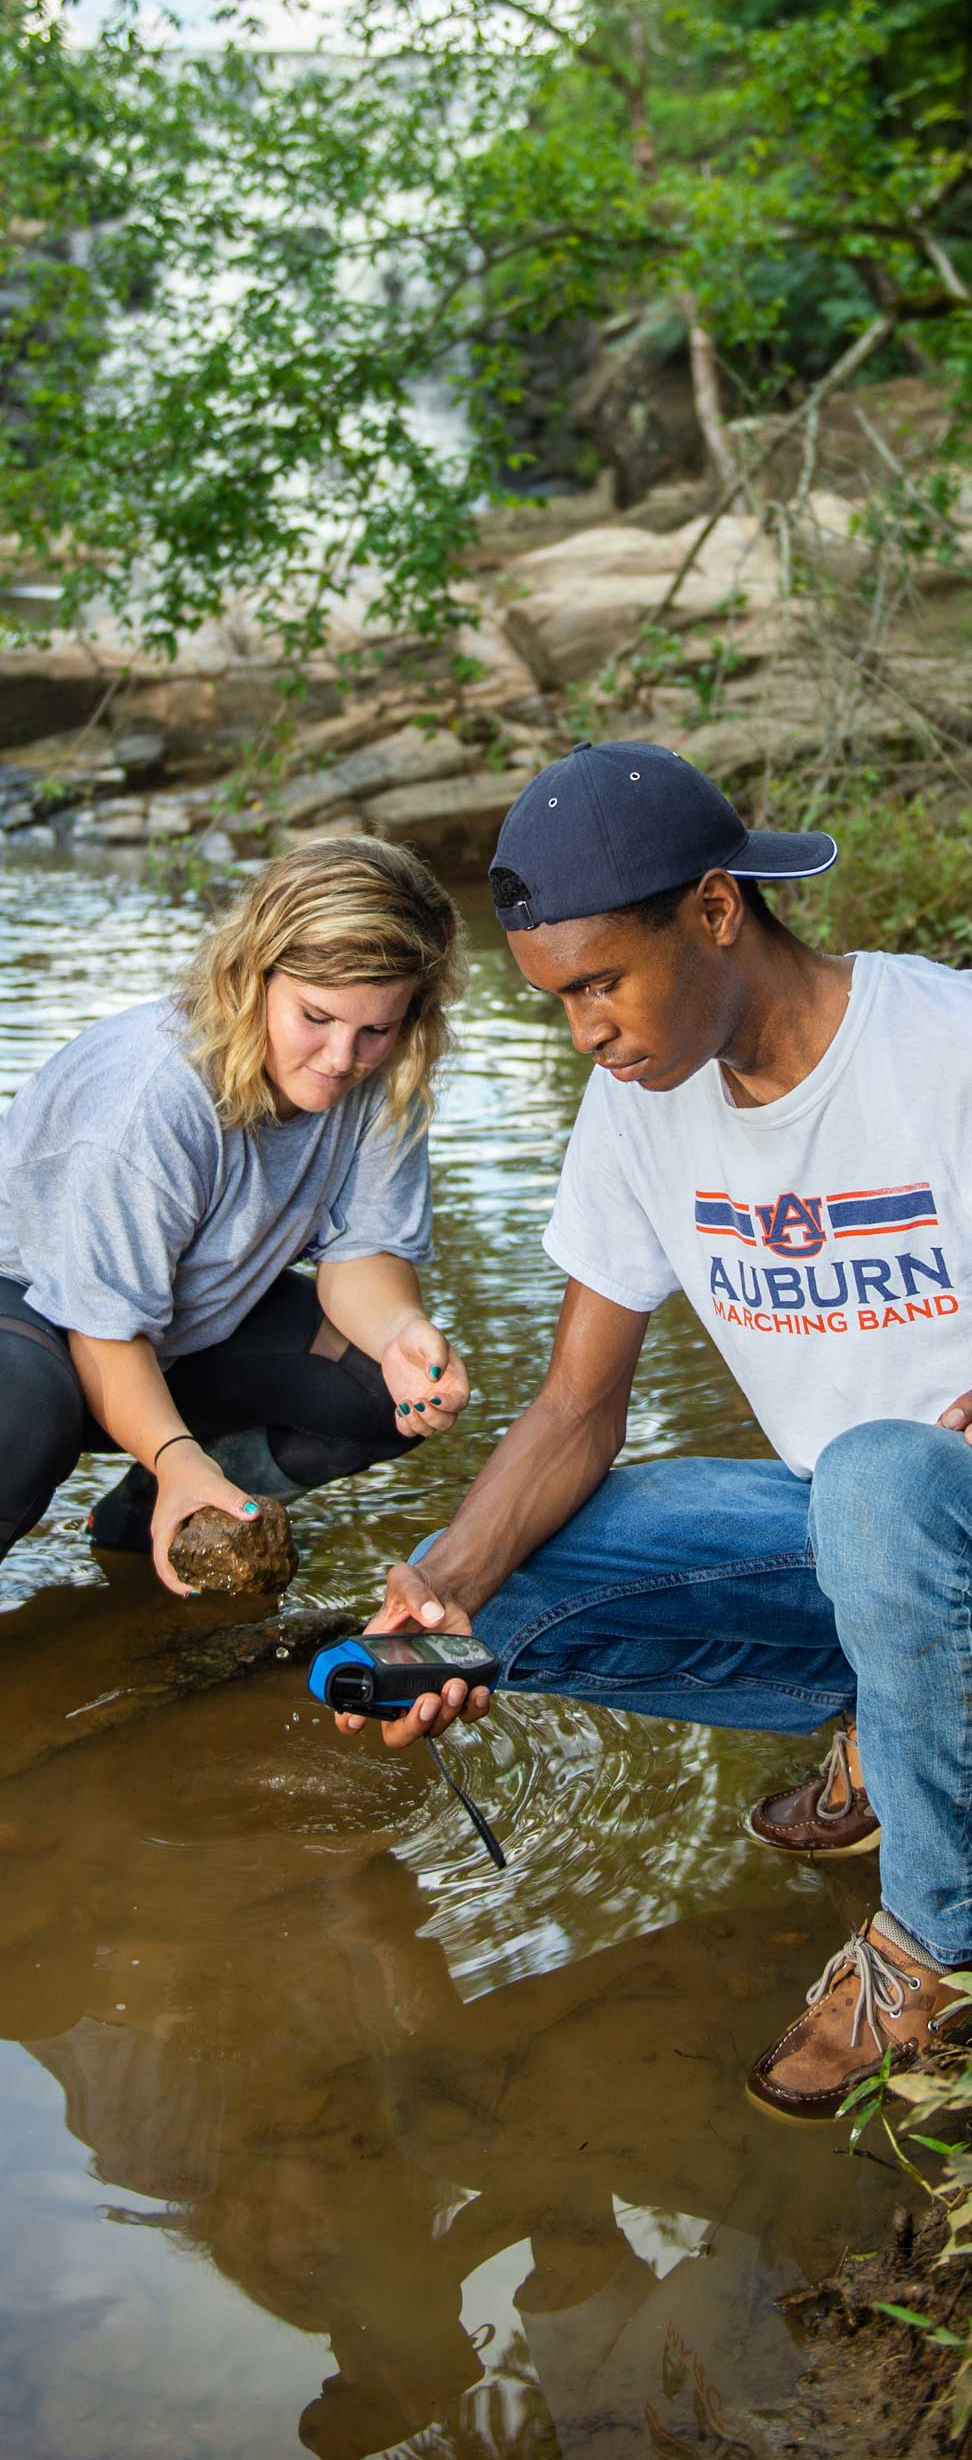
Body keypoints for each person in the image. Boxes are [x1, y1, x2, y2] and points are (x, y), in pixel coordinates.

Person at [335, 738, 972, 2121]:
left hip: (934, 1513)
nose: (587, 1034)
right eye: (557, 1000)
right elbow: (574, 1404)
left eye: (600, 984)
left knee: (876, 1478)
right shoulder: (639, 1110)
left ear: (718, 908)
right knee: (502, 1566)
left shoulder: (942, 1044)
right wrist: (442, 1595)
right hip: (850, 1547)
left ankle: (939, 1952)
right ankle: (894, 1709)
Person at [0, 834, 469, 1595]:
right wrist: (174, 1447)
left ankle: (149, 1525)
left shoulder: (390, 1073)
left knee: (385, 1391)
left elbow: (364, 1253)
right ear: (251, 976)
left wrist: (400, 1331)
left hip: (180, 1334)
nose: (341, 1057)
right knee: (19, 1421)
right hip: (35, 1324)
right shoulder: (154, 1100)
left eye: (373, 1029)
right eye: (315, 1016)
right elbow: (102, 1326)